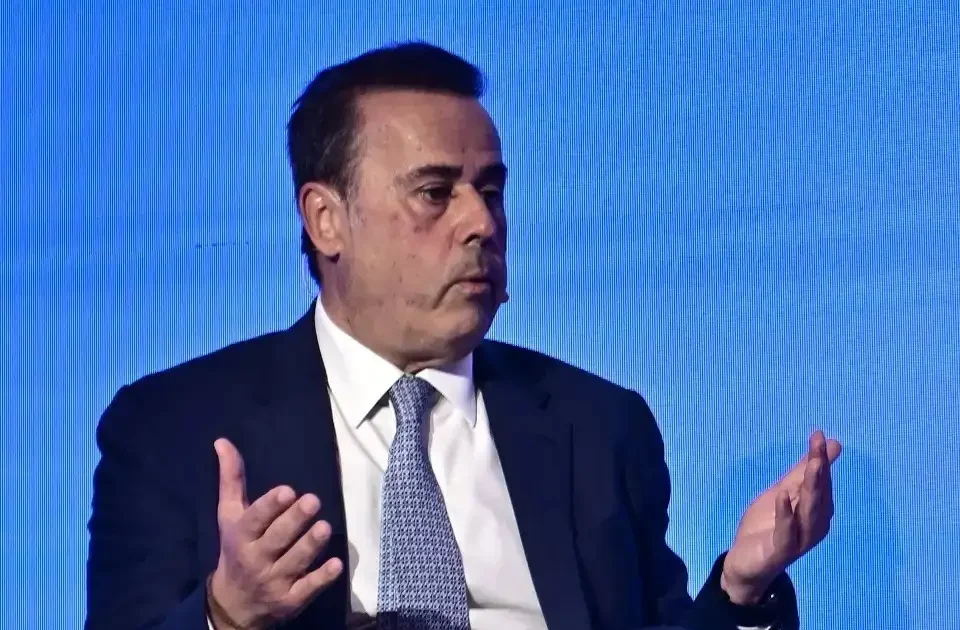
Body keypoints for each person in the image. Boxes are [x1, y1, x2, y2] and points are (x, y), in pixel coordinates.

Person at [85, 42, 842, 630]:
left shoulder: (597, 426)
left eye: (490, 190)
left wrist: (742, 589)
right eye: (435, 193)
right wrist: (225, 615)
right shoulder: (175, 427)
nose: (481, 222)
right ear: (325, 220)